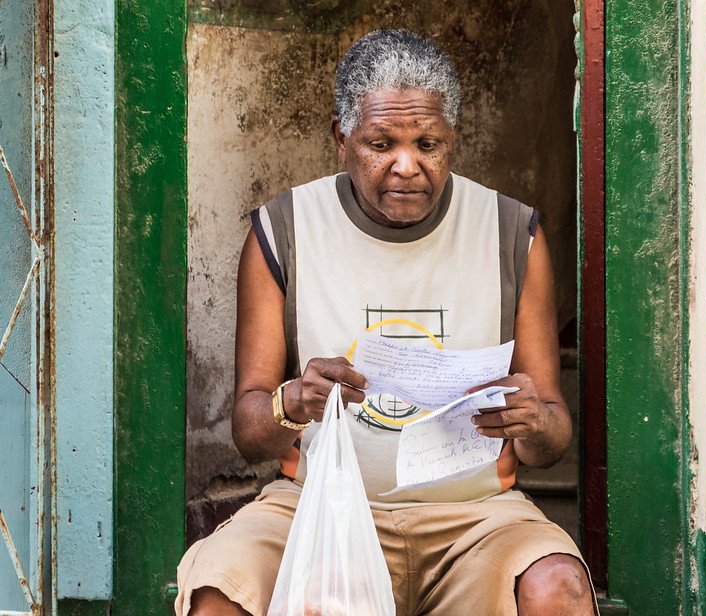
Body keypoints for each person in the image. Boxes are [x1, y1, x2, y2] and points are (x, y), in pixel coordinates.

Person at [176, 29, 596, 616]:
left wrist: (532, 420)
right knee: (222, 589)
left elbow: (552, 438)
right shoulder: (285, 230)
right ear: (341, 139)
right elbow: (249, 433)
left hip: (475, 520)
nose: (407, 165)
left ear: (454, 140)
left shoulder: (509, 233)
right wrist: (293, 401)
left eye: (428, 142)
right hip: (316, 505)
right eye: (382, 143)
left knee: (559, 585)